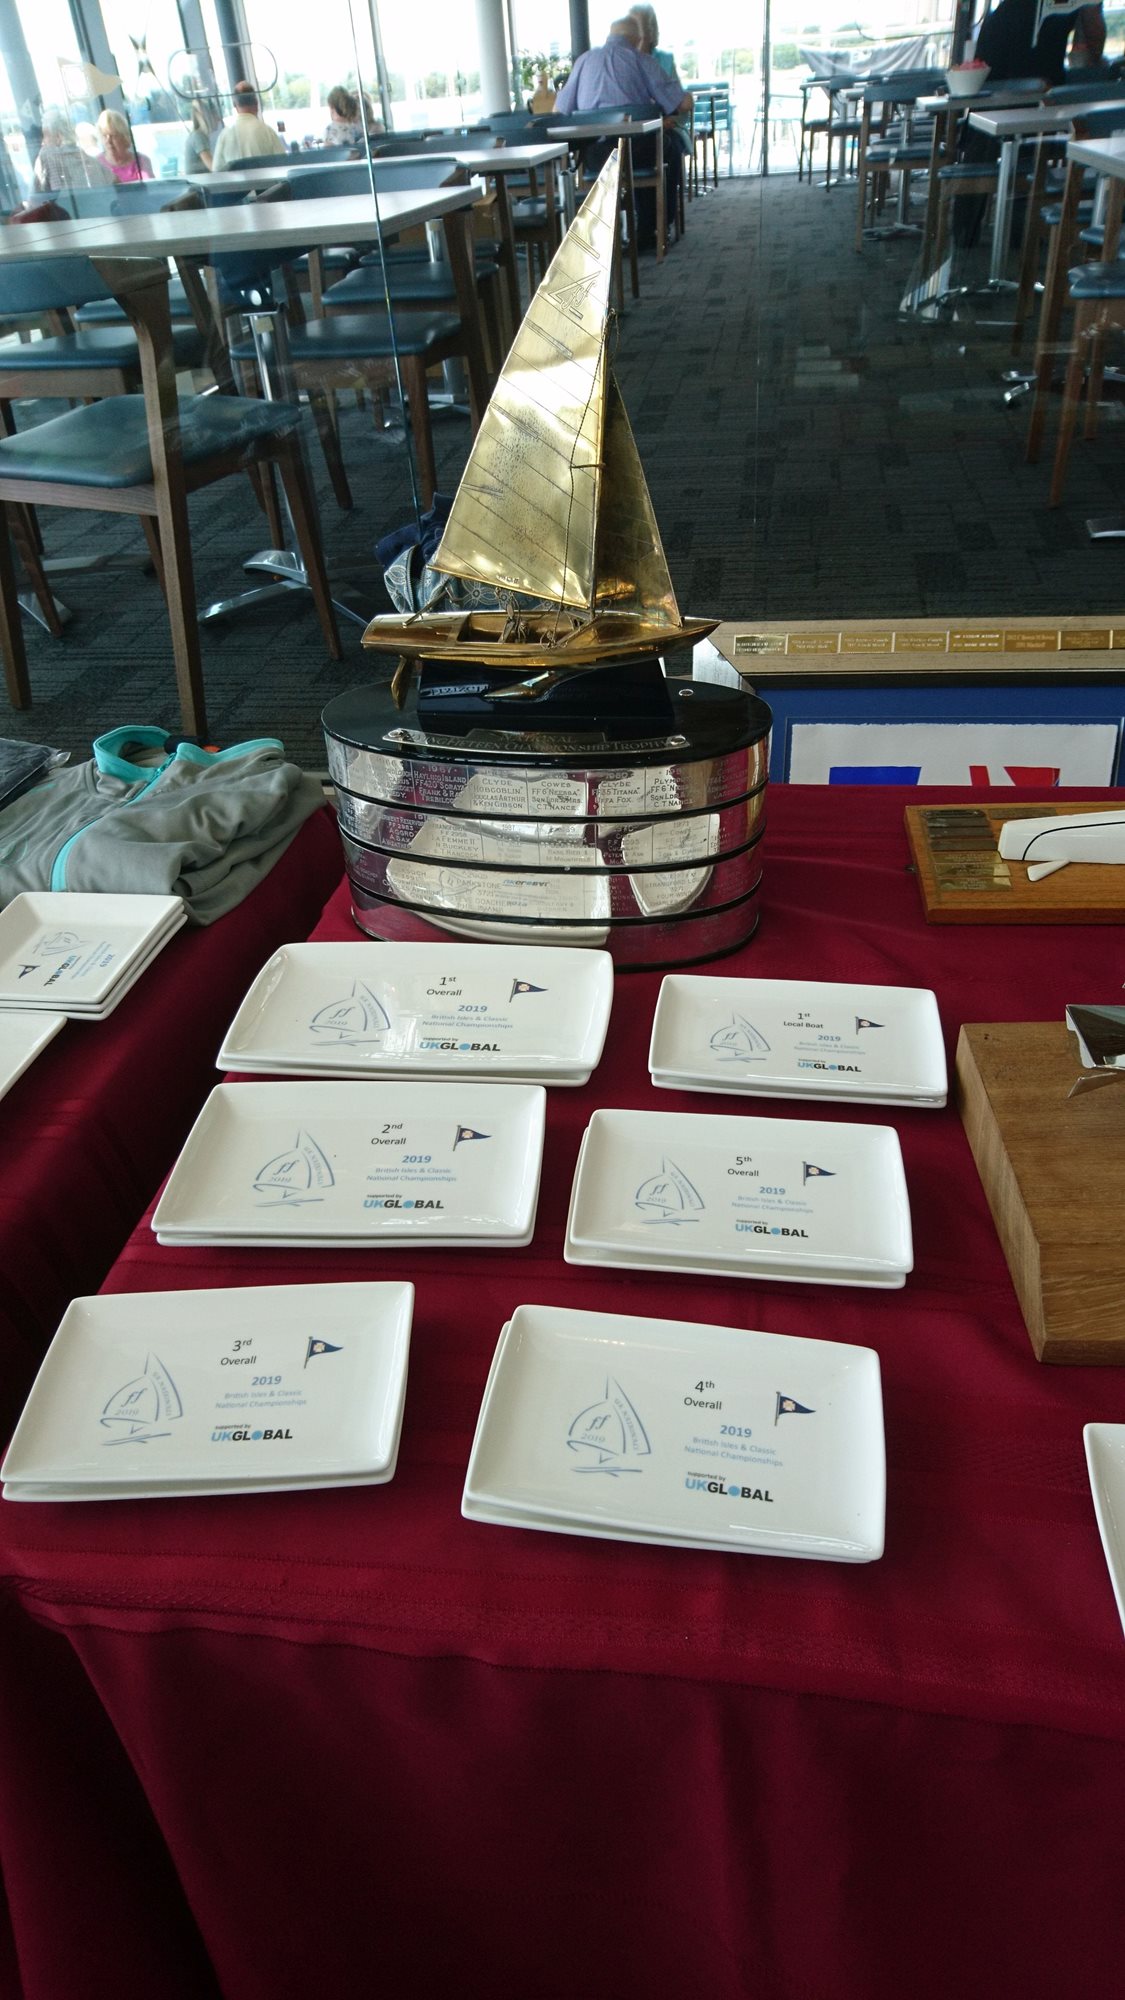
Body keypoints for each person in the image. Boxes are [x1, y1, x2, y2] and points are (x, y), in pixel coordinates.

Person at [556, 17, 691, 248]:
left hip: (595, 157)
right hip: (637, 153)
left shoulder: (584, 61)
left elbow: (559, 110)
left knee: (650, 148)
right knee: (669, 148)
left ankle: (606, 234)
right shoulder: (641, 60)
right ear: (638, 40)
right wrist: (686, 97)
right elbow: (683, 104)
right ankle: (654, 228)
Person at [210, 81, 286, 171]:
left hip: (236, 181)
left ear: (235, 105)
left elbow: (217, 169)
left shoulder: (224, 135)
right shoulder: (268, 132)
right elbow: (283, 164)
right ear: (256, 103)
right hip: (266, 180)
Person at [33, 109, 112, 192]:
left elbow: (34, 196)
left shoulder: (46, 155)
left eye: (45, 135)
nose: (42, 142)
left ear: (58, 137)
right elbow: (112, 181)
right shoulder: (90, 160)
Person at [96, 109, 152, 184]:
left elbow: (149, 187)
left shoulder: (141, 160)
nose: (108, 141)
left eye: (113, 136)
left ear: (124, 138)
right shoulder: (97, 164)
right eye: (104, 135)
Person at [182, 97, 220, 174]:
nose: (218, 119)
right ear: (208, 117)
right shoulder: (198, 136)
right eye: (215, 115)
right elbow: (213, 167)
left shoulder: (199, 135)